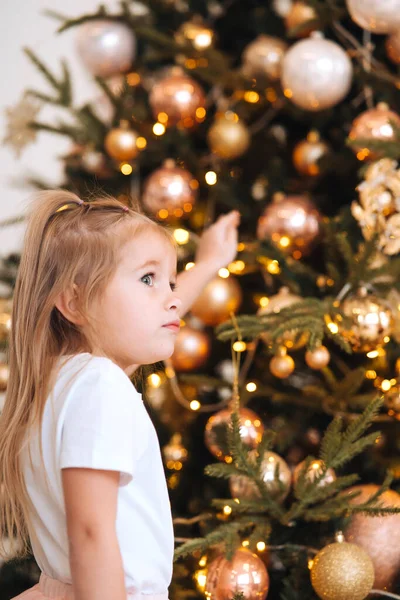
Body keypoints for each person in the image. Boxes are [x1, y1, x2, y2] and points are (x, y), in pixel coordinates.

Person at [0, 190, 240, 600]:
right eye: (148, 279)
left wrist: (211, 261)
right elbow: (91, 533)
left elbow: (157, 312)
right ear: (74, 302)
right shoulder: (99, 387)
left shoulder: (56, 384)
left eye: (170, 282)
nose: (173, 298)